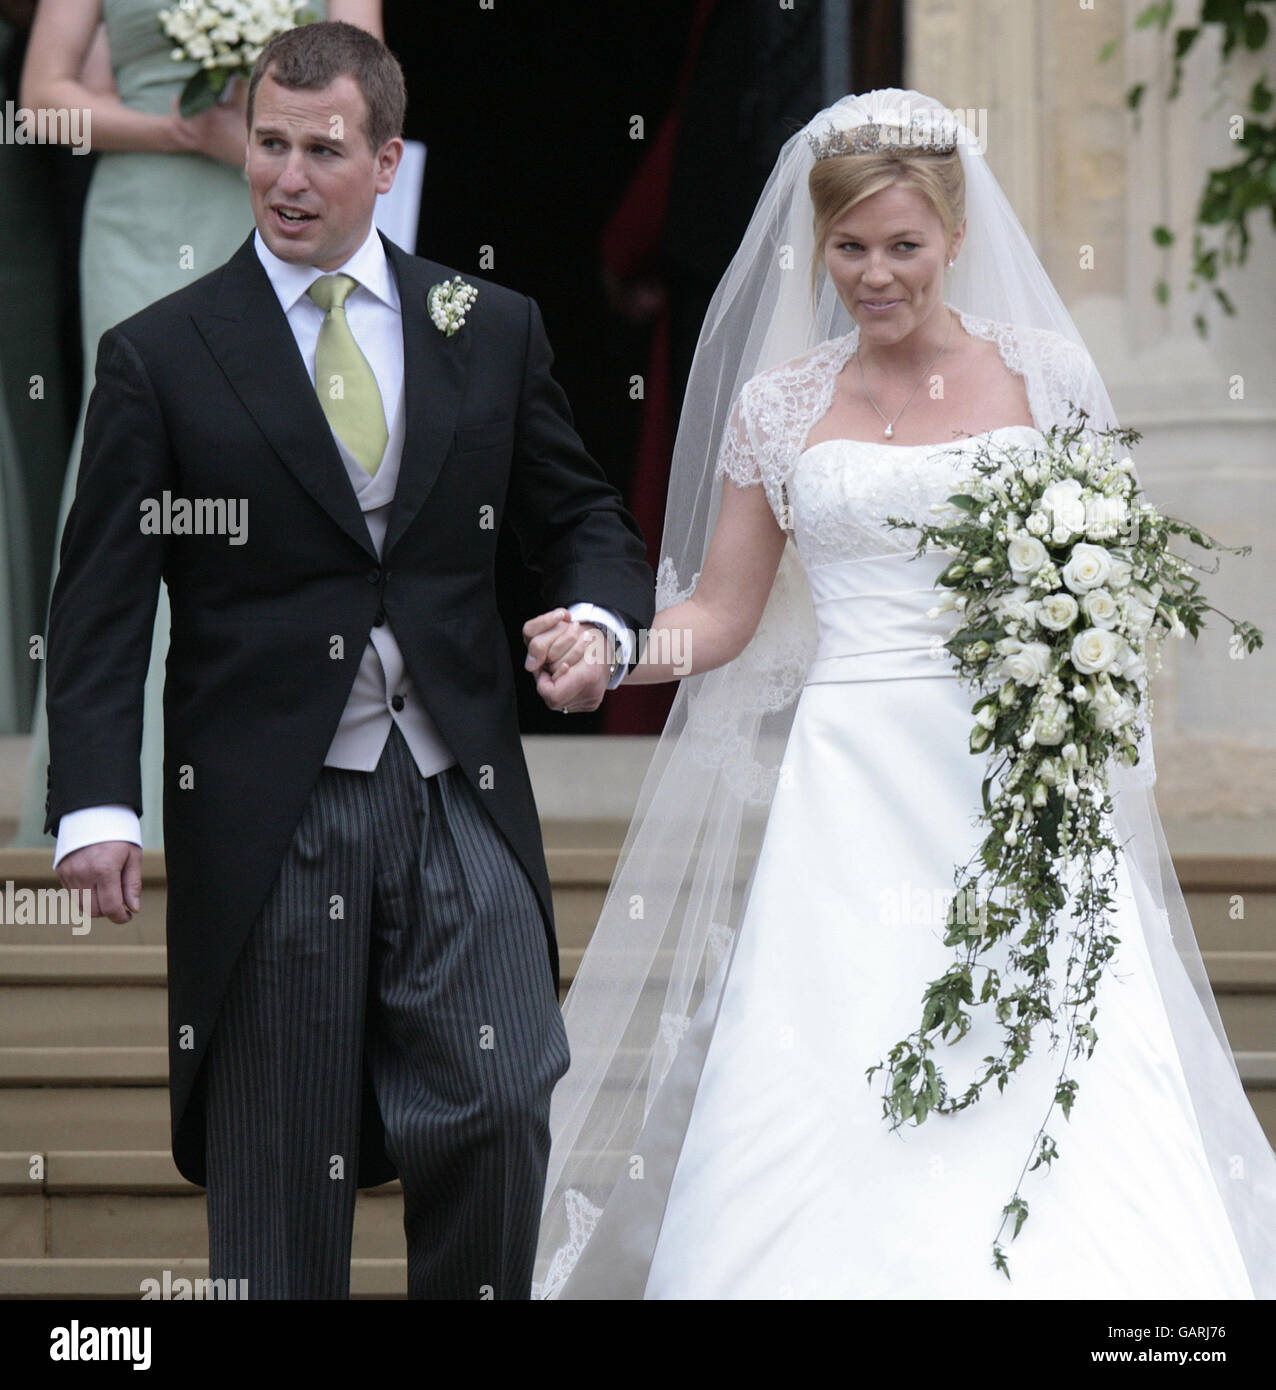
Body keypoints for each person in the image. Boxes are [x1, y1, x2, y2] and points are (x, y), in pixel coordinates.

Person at [528, 89, 1276, 1299]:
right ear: (818, 245)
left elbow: (1118, 591)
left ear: (955, 233)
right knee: (832, 1054)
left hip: (1019, 781)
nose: (875, 275)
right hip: (851, 782)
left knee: (1050, 1069)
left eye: (903, 247)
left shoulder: (1048, 377)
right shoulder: (780, 405)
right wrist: (613, 650)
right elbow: (719, 614)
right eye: (850, 248)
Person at [47, 20, 654, 1299]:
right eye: (269, 143)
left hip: (454, 793)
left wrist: (599, 625)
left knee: (500, 1093)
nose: (287, 176)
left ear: (386, 161)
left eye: (322, 150)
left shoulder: (484, 326)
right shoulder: (160, 356)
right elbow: (101, 604)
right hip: (272, 809)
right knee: (279, 1176)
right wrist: (98, 800)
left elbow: (584, 519)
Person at [12, 0, 383, 846]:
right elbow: (41, 102)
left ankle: (285, 782)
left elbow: (369, 88)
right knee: (130, 471)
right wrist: (183, 133)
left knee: (284, 463)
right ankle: (108, 795)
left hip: (281, 212)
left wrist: (266, 141)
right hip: (142, 213)